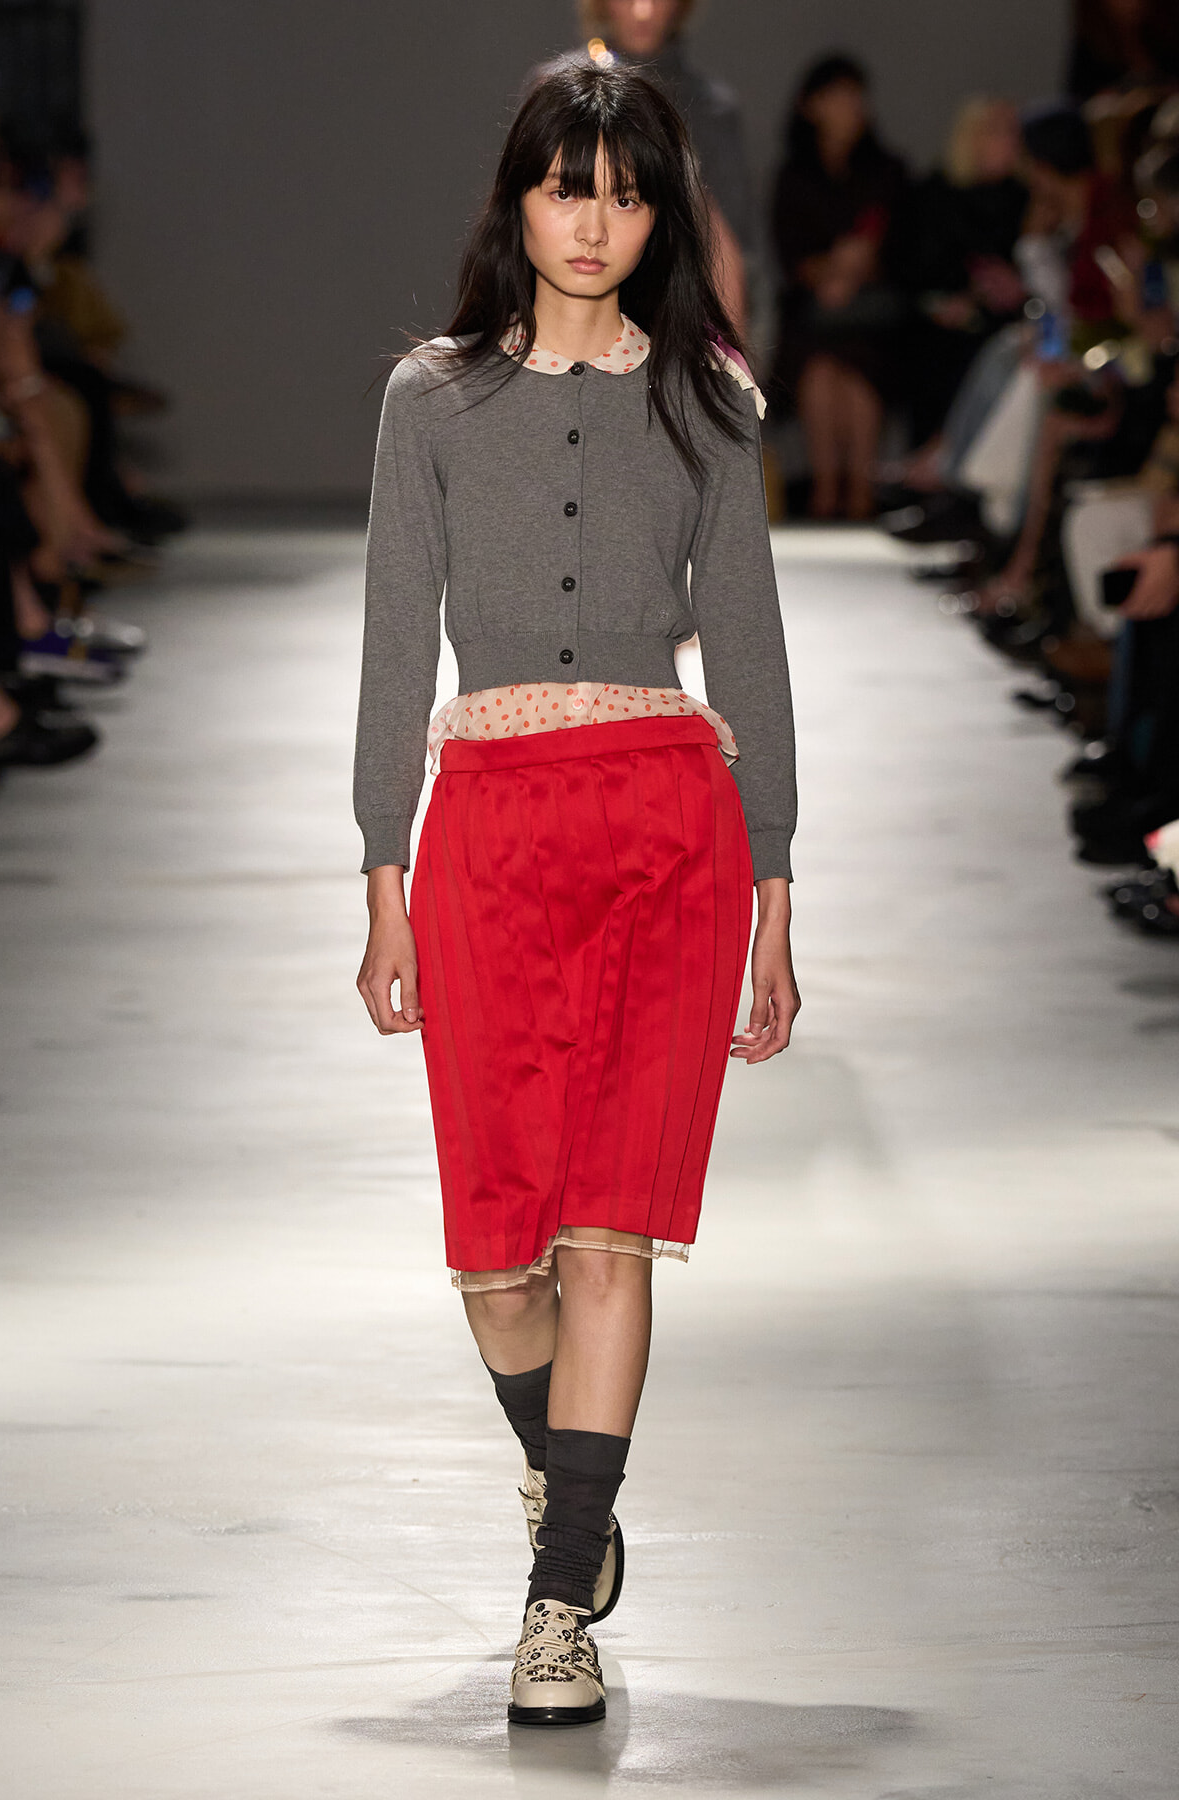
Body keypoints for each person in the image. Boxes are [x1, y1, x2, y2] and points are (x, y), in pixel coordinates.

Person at [354, 57, 798, 1727]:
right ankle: (575, 1487)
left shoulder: (709, 402)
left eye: (624, 192)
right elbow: (398, 648)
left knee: (610, 1228)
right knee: (496, 1255)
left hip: (662, 827)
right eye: (566, 187)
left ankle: (563, 1598)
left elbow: (747, 648)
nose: (594, 221)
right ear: (519, 202)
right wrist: (381, 868)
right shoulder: (431, 400)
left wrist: (773, 880)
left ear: (656, 212)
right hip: (487, 834)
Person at [769, 54, 910, 520]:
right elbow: (789, 253)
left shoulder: (887, 171)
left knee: (858, 371)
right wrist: (832, 271)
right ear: (811, 106)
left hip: (872, 316)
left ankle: (860, 493)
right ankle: (827, 493)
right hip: (811, 314)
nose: (849, 106)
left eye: (855, 96)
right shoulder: (794, 176)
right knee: (818, 372)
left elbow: (898, 246)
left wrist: (853, 273)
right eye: (837, 96)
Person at [571, 0, 755, 336]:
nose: (643, 10)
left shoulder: (711, 109)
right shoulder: (558, 91)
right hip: (568, 315)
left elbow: (729, 244)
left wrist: (734, 366)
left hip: (676, 321)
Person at [907, 99, 1027, 449]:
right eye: (996, 131)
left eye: (1013, 131)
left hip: (1007, 317)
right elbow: (916, 265)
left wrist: (1006, 287)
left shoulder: (1028, 199)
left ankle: (954, 462)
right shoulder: (935, 192)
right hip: (940, 314)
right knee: (933, 346)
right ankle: (932, 456)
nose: (1008, 140)